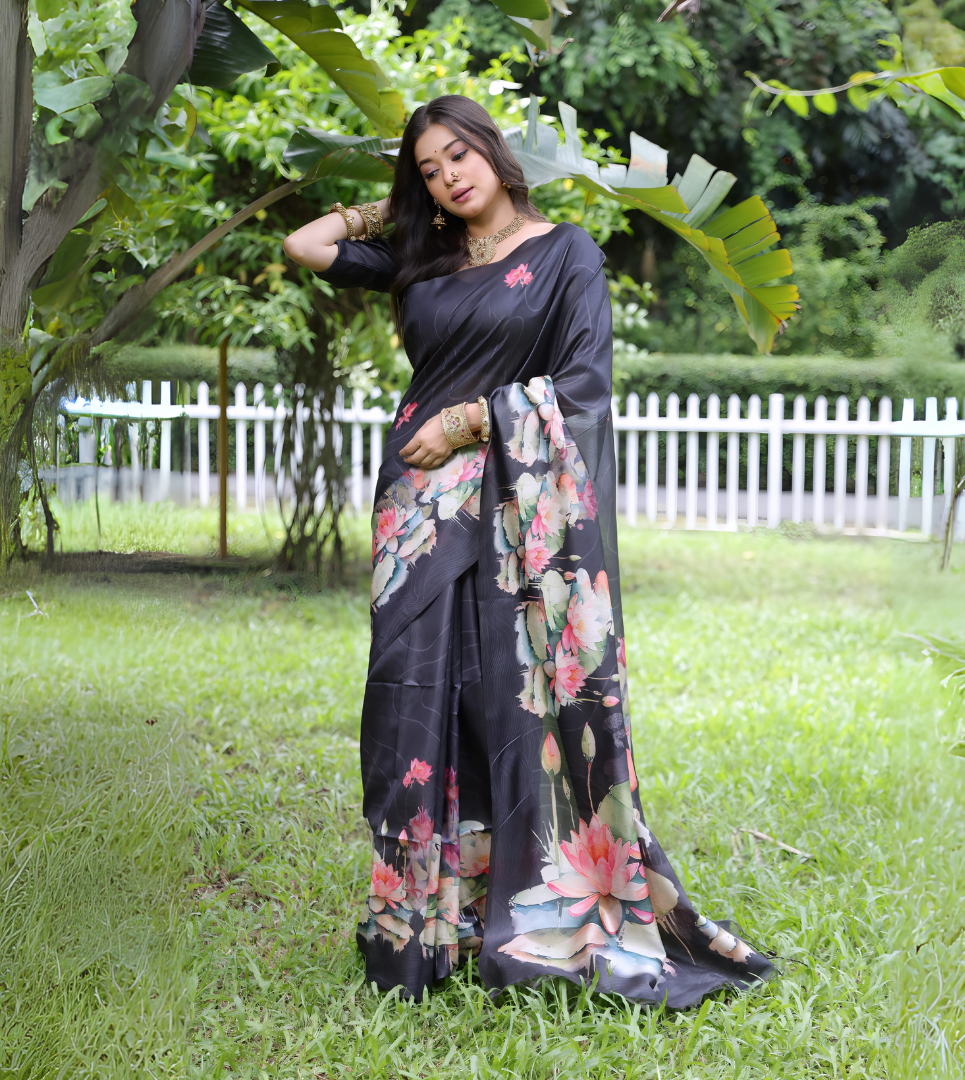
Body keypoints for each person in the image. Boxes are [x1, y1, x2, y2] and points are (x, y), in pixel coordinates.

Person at [283, 95, 774, 1007]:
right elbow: (303, 249)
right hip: (420, 515)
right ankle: (426, 920)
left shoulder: (566, 254)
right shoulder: (421, 252)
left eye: (458, 154)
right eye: (428, 169)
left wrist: (471, 423)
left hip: (516, 515)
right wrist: (385, 209)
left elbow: (583, 383)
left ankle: (532, 908)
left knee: (512, 704)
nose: (449, 176)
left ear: (493, 151)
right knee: (409, 704)